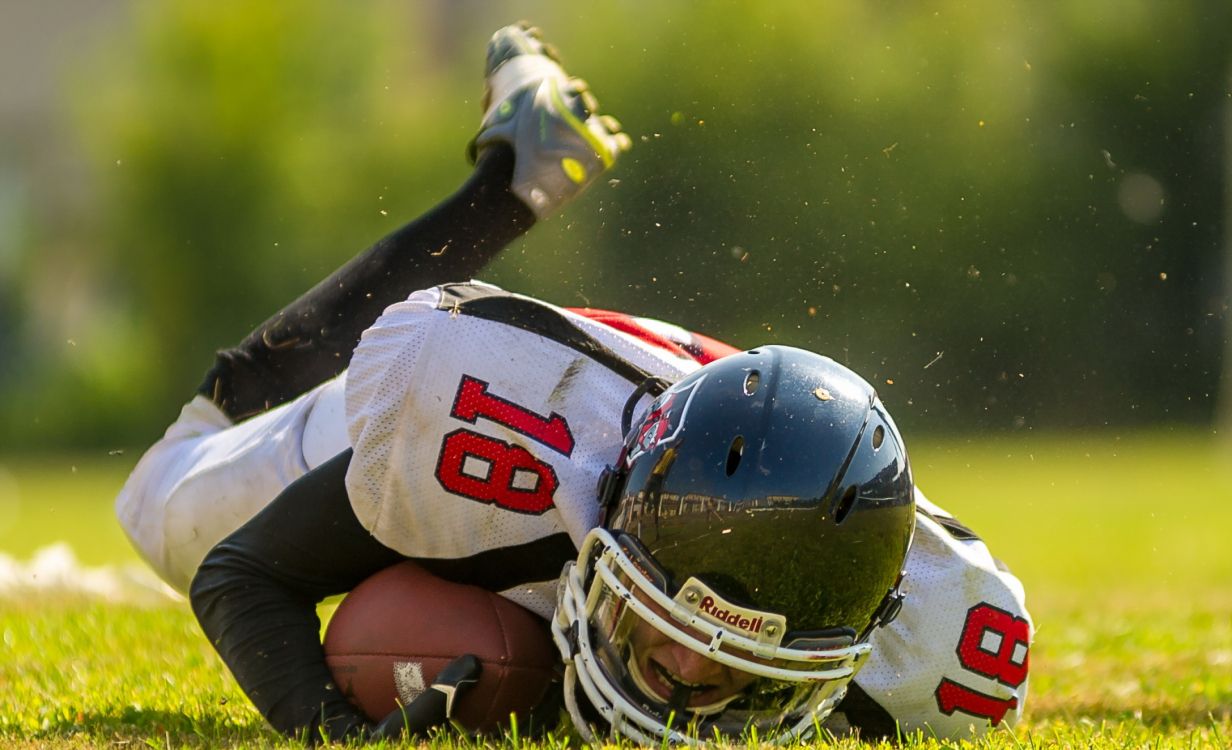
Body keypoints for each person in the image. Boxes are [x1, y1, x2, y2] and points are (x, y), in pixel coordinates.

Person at [115, 22, 1032, 745]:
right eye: (671, 623)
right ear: (625, 502)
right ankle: (515, 181)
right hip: (564, 394)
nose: (678, 671)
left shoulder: (944, 636)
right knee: (166, 499)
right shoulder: (503, 444)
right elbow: (241, 577)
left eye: (729, 658)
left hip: (704, 391)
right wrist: (338, 737)